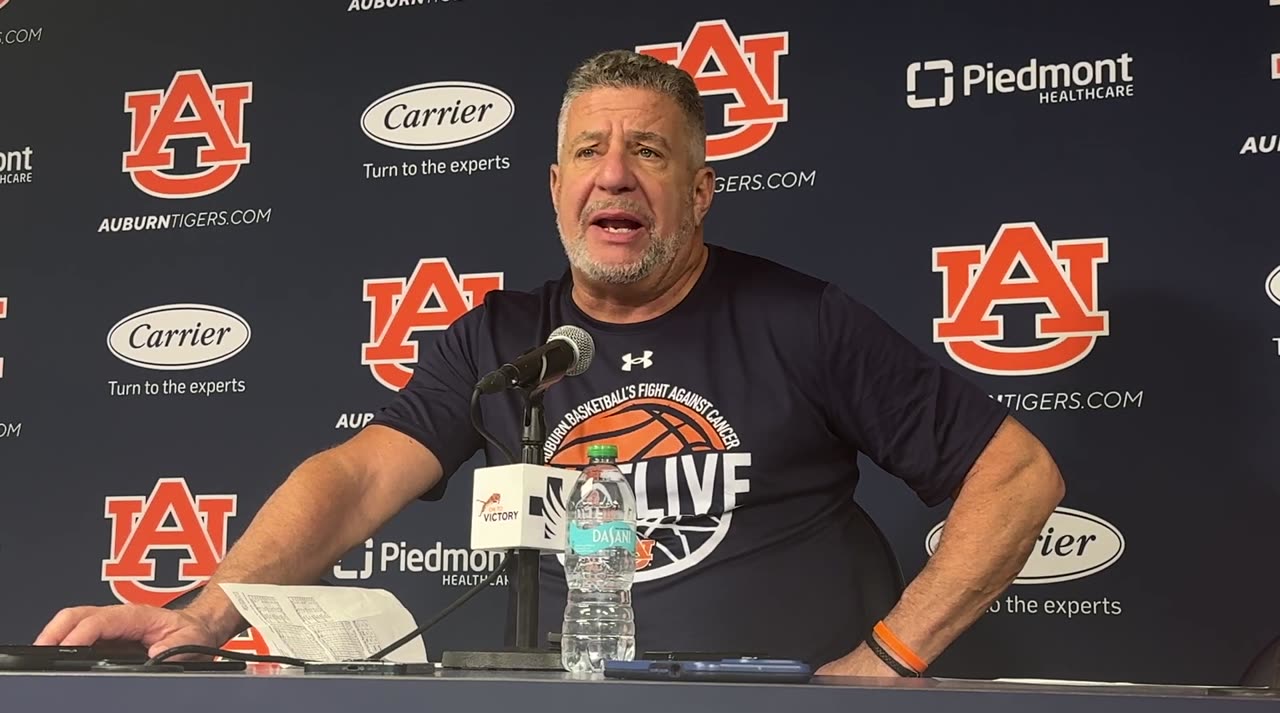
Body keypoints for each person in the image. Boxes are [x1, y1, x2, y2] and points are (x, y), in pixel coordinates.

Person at [35, 50, 1064, 676]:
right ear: (555, 183)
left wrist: (888, 662)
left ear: (699, 192)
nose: (614, 174)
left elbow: (1015, 473)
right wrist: (204, 615)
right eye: (589, 152)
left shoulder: (800, 319)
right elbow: (352, 482)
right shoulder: (499, 342)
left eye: (650, 153)